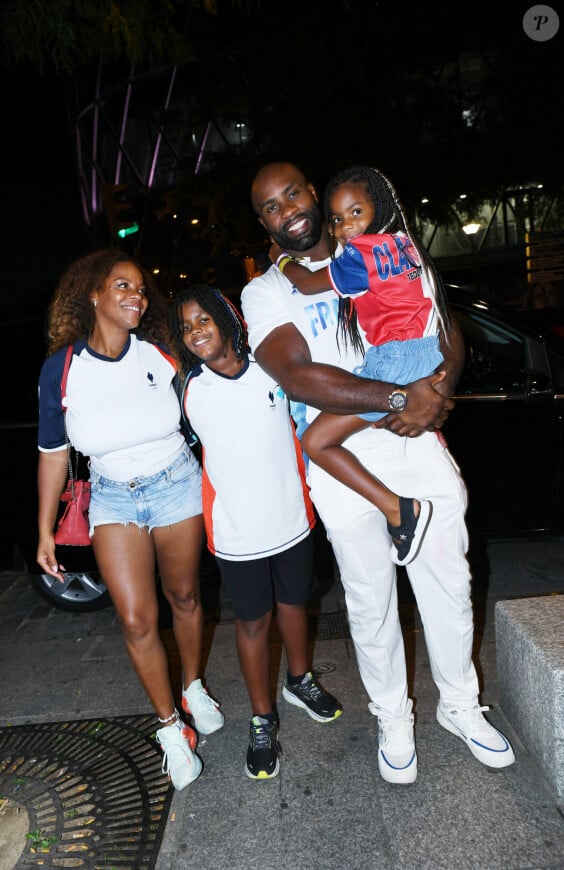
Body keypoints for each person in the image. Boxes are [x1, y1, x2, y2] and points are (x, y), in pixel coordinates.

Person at [241, 162, 515, 784]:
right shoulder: (265, 293)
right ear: (264, 223)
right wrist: (399, 394)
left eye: (292, 194)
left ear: (313, 192)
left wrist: (436, 391)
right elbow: (300, 377)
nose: (288, 210)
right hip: (342, 460)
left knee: (448, 582)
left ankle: (461, 707)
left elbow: (442, 323)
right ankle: (394, 716)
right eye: (271, 207)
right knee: (369, 600)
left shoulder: (376, 244)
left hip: (410, 440)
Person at [36, 249, 224, 793]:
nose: (136, 297)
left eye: (141, 288)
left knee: (185, 597)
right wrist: (45, 527)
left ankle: (192, 688)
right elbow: (52, 452)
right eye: (123, 286)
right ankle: (171, 729)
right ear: (94, 294)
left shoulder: (162, 352)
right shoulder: (62, 368)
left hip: (176, 485)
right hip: (113, 498)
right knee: (137, 619)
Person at [170, 285, 343, 780]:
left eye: (204, 319)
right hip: (237, 532)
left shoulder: (271, 370)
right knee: (252, 623)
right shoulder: (187, 390)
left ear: (228, 319)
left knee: (295, 605)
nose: (195, 331)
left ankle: (300, 680)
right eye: (186, 326)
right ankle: (262, 718)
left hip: (291, 519)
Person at [268, 165, 448, 566]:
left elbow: (308, 284)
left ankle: (402, 512)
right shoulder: (405, 243)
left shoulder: (361, 255)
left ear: (377, 208)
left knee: (316, 441)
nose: (346, 226)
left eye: (356, 213)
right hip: (424, 350)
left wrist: (281, 261)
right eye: (337, 219)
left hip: (395, 361)